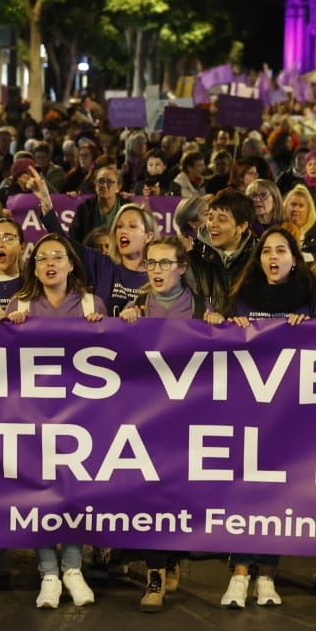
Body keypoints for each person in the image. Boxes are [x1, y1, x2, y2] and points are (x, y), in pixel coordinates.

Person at [214, 227, 316, 608]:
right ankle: (240, 575)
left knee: (278, 495)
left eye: (281, 250)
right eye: (266, 251)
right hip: (248, 410)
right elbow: (215, 341)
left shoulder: (312, 297)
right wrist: (223, 325)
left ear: (295, 258)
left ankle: (267, 576)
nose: (272, 257)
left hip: (291, 411)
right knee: (247, 491)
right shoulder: (242, 296)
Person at [0, 234, 104, 610]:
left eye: (58, 256)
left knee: (73, 490)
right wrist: (3, 325)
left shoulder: (92, 304)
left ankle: (73, 569)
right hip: (33, 416)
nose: (50, 263)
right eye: (42, 258)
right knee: (39, 491)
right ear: (34, 266)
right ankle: (48, 572)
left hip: (81, 416)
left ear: (71, 264)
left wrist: (104, 327)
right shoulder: (20, 303)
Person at [117, 236, 219, 611]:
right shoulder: (138, 305)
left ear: (182, 267)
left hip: (188, 420)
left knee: (178, 496)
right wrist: (121, 324)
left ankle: (172, 555)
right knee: (149, 493)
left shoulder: (199, 309)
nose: (157, 270)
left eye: (164, 263)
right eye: (151, 263)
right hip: (146, 419)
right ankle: (154, 574)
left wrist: (219, 327)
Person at [188, 188, 258, 309]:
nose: (213, 225)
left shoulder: (260, 258)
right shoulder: (192, 260)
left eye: (222, 220)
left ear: (242, 227)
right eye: (210, 218)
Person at [68, 165, 126, 244]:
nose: (104, 185)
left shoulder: (127, 208)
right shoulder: (83, 209)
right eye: (101, 181)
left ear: (118, 187)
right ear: (95, 184)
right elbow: (73, 239)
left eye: (110, 181)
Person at [282, 184, 316, 260]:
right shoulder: (279, 229)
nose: (296, 209)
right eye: (293, 205)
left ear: (309, 210)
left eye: (301, 206)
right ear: (285, 207)